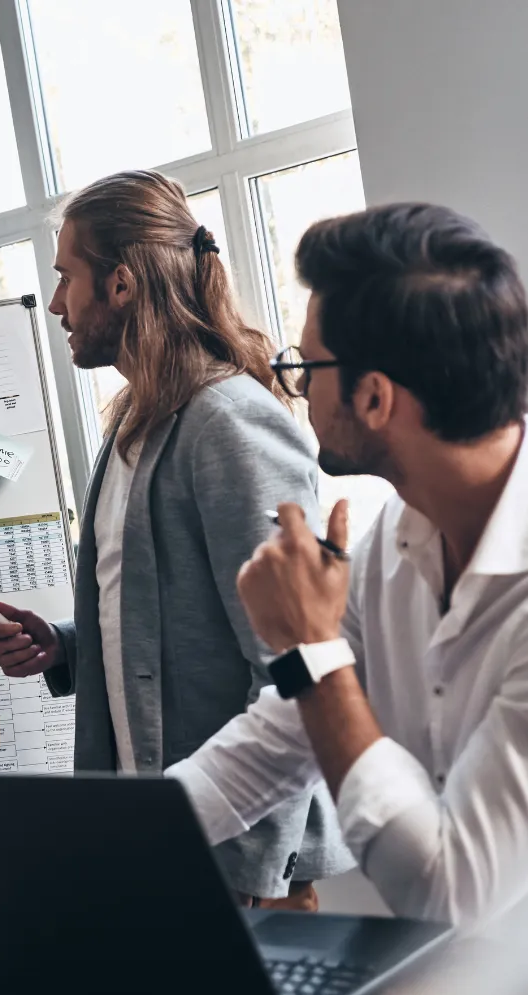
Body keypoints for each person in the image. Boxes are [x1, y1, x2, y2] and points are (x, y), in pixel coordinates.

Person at [0, 170, 351, 904]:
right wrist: (69, 646)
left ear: (120, 284)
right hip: (155, 839)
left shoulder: (228, 423)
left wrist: (248, 874)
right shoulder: (133, 422)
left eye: (67, 277)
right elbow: (172, 623)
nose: (57, 303)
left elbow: (290, 668)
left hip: (234, 859)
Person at [166, 201, 528, 927]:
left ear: (372, 396)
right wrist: (96, 841)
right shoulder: (397, 534)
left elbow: (449, 891)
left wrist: (309, 646)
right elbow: (277, 741)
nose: (294, 388)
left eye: (305, 366)